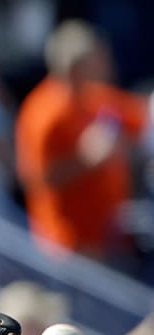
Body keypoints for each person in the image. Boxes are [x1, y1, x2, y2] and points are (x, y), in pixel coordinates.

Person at [15, 19, 147, 261]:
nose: (107, 64)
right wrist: (86, 159)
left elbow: (142, 116)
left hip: (108, 236)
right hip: (69, 246)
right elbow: (36, 179)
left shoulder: (93, 96)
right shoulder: (45, 113)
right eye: (98, 58)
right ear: (76, 66)